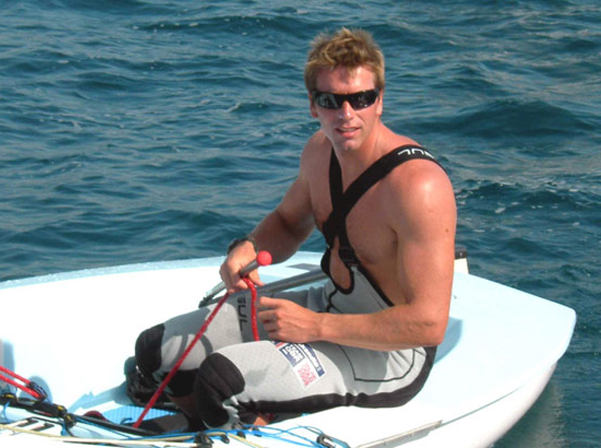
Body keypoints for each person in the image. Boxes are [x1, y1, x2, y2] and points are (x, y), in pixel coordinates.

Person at [134, 27, 457, 430]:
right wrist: (247, 248)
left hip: (389, 353)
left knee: (221, 381)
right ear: (312, 105)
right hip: (328, 307)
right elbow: (288, 223)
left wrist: (316, 327)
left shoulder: (418, 187)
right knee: (157, 351)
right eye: (330, 101)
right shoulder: (319, 152)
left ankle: (248, 423)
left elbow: (428, 324)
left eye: (360, 98)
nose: (346, 114)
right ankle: (206, 430)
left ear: (380, 101)